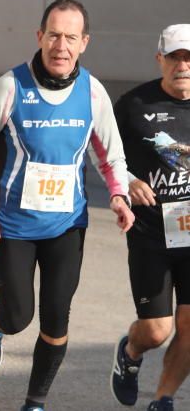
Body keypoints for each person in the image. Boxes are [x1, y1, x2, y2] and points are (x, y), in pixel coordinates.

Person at [0, 0, 135, 411]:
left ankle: (35, 403)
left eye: (71, 37)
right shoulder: (11, 87)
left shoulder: (93, 92)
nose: (61, 45)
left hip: (67, 225)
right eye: (54, 35)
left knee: (57, 320)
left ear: (84, 42)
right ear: (40, 37)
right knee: (19, 317)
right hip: (12, 225)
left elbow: (110, 155)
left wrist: (119, 194)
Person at [110, 24, 190, 411]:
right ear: (161, 59)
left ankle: (163, 399)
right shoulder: (133, 104)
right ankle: (130, 351)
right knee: (157, 331)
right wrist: (127, 181)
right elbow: (100, 150)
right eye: (175, 57)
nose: (183, 65)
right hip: (150, 234)